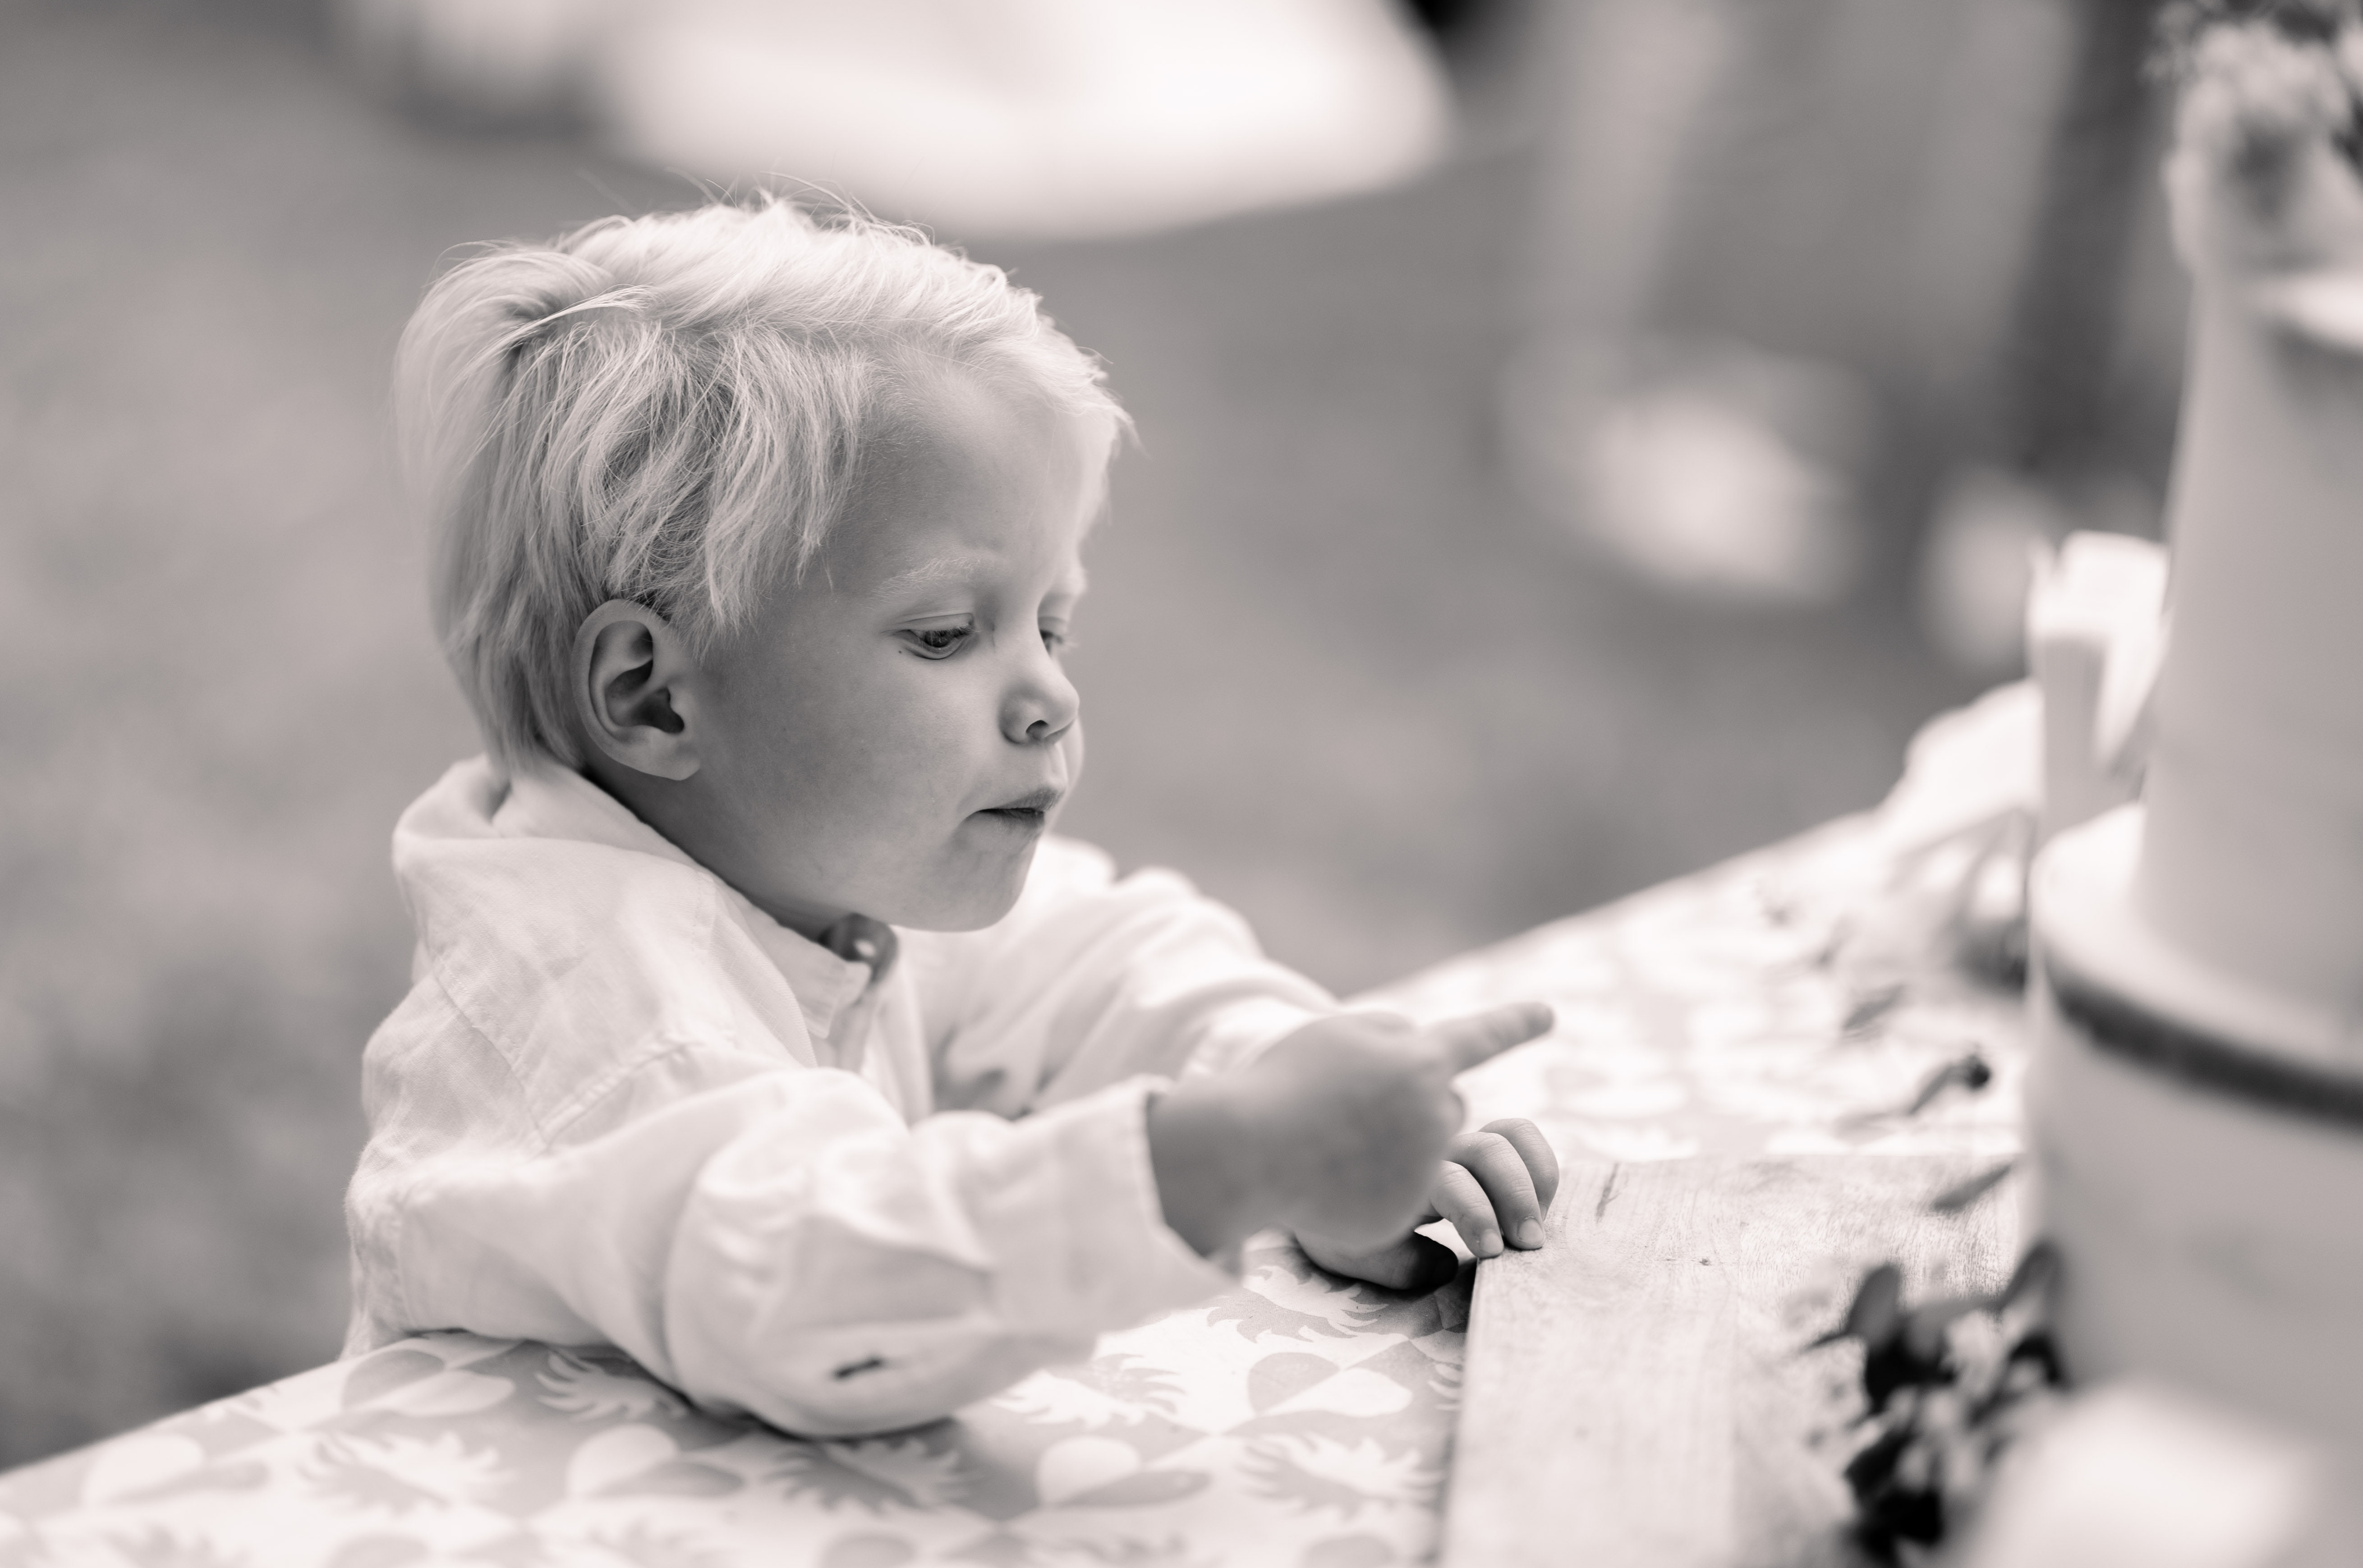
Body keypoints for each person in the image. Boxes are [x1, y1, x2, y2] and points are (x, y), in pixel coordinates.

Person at [344, 195, 1558, 1437]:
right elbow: (816, 1281)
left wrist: (1281, 1086)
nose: (1051, 698)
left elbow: (1100, 961)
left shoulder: (812, 862)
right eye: (943, 634)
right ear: (653, 696)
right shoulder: (595, 1012)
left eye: (1051, 625)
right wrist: (1226, 1158)